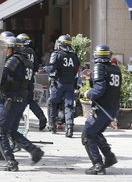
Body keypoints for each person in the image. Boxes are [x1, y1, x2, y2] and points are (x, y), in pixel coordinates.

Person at [0, 36, 44, 172]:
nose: (5, 52)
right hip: (21, 100)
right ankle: (34, 150)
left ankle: (11, 162)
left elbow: (1, 77)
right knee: (11, 130)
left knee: (1, 131)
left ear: (13, 49)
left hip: (9, 100)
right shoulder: (27, 62)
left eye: (6, 49)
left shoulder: (13, 60)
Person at [82, 45, 121, 175]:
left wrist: (88, 93)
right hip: (112, 108)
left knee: (88, 134)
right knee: (96, 133)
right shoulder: (115, 68)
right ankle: (109, 157)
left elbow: (100, 88)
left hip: (102, 109)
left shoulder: (100, 67)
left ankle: (97, 165)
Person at [44, 35, 80, 137]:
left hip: (58, 83)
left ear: (61, 44)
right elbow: (76, 71)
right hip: (70, 84)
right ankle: (69, 128)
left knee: (52, 102)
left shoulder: (56, 54)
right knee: (68, 106)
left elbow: (51, 69)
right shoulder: (74, 56)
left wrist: (44, 68)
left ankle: (52, 126)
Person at [17, 33, 47, 130]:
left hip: (20, 80)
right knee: (30, 100)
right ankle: (41, 117)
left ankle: (17, 120)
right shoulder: (31, 52)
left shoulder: (19, 52)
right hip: (30, 79)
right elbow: (36, 67)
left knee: (17, 100)